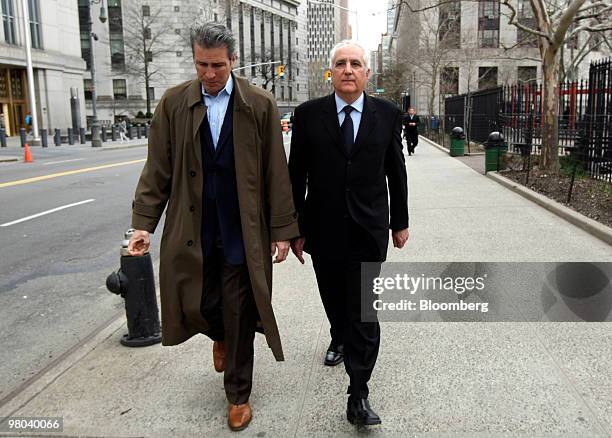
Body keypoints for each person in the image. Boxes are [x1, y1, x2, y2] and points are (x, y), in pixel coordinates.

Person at [127, 22, 299, 431]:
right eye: (202, 64)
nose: (209, 73)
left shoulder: (258, 103)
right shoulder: (173, 103)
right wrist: (142, 225)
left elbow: (276, 171)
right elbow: (158, 170)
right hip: (195, 227)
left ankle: (238, 395)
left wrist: (282, 230)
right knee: (199, 303)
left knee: (241, 310)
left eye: (217, 65)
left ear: (233, 61)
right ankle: (217, 335)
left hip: (242, 230)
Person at [288, 40, 409, 426]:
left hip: (369, 230)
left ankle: (358, 392)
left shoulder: (387, 114)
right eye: (340, 63)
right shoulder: (308, 116)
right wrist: (295, 228)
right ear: (331, 72)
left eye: (355, 63)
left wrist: (400, 222)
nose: (348, 70)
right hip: (323, 230)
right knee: (335, 301)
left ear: (366, 73)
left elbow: (396, 172)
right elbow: (296, 177)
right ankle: (337, 335)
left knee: (365, 312)